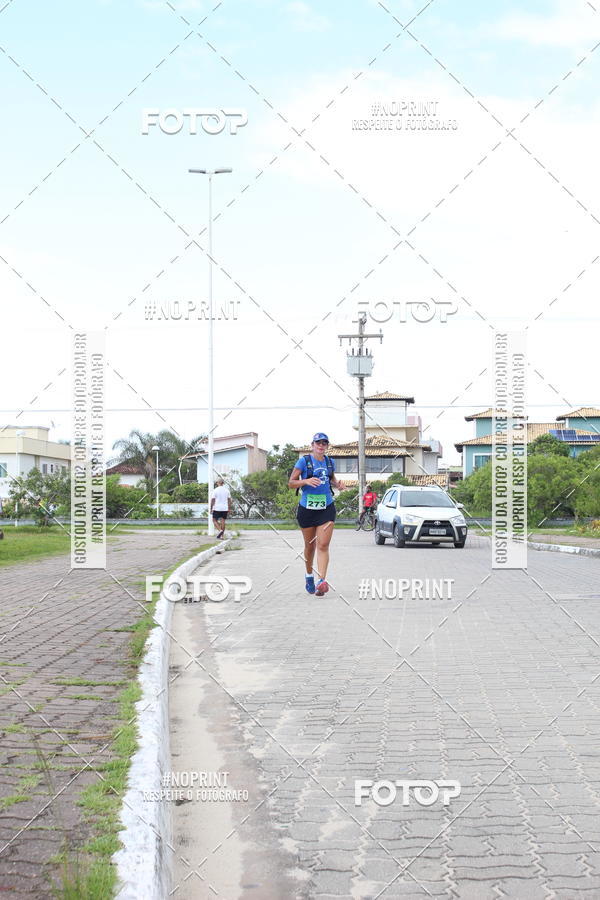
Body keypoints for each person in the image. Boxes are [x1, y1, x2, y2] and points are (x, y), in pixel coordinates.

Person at [288, 433, 344, 597]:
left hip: (326, 507)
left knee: (323, 545)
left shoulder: (329, 462)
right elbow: (291, 483)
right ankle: (309, 575)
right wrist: (305, 481)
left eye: (324, 443)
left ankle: (322, 581)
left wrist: (338, 485)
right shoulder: (303, 461)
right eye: (318, 443)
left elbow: (331, 480)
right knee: (310, 546)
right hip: (307, 509)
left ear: (327, 446)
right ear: (312, 445)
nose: (321, 446)